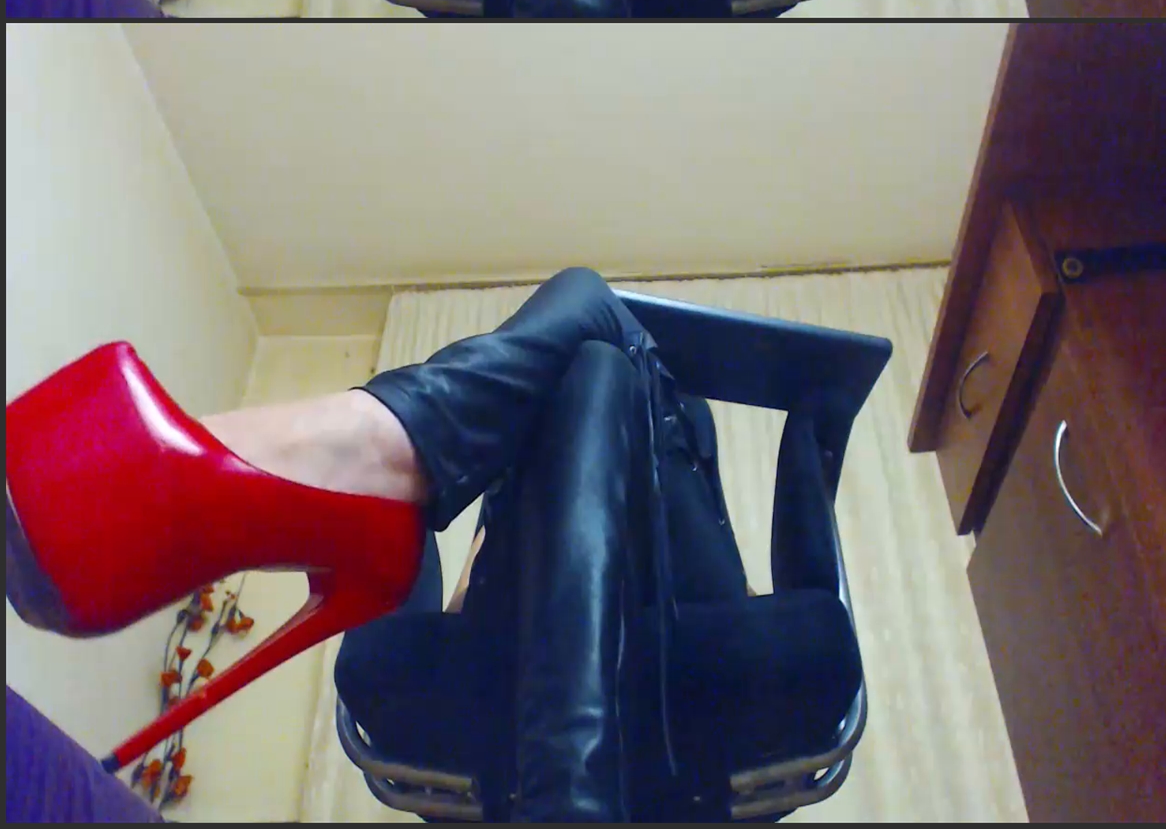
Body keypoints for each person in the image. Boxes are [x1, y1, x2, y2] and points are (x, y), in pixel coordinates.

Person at [4, 270, 671, 810]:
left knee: (592, 338)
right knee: (591, 321)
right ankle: (381, 447)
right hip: (504, 611)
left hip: (558, 618)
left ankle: (361, 443)